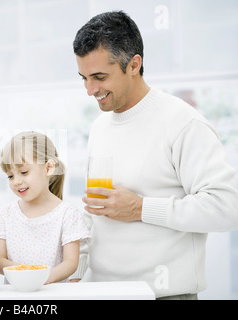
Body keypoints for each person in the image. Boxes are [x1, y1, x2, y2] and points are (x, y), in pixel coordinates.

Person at [73, 11, 238, 299]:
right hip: (101, 291)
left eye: (99, 77)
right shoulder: (100, 126)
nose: (90, 90)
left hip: (163, 295)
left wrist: (141, 208)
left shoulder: (183, 123)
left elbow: (227, 208)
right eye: (84, 78)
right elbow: (97, 216)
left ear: (134, 64)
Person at [0, 131, 91, 284]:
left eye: (23, 172)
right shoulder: (4, 215)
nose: (16, 181)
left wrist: (44, 278)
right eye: (10, 176)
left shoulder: (68, 214)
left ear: (49, 168)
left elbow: (71, 263)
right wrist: (27, 272)